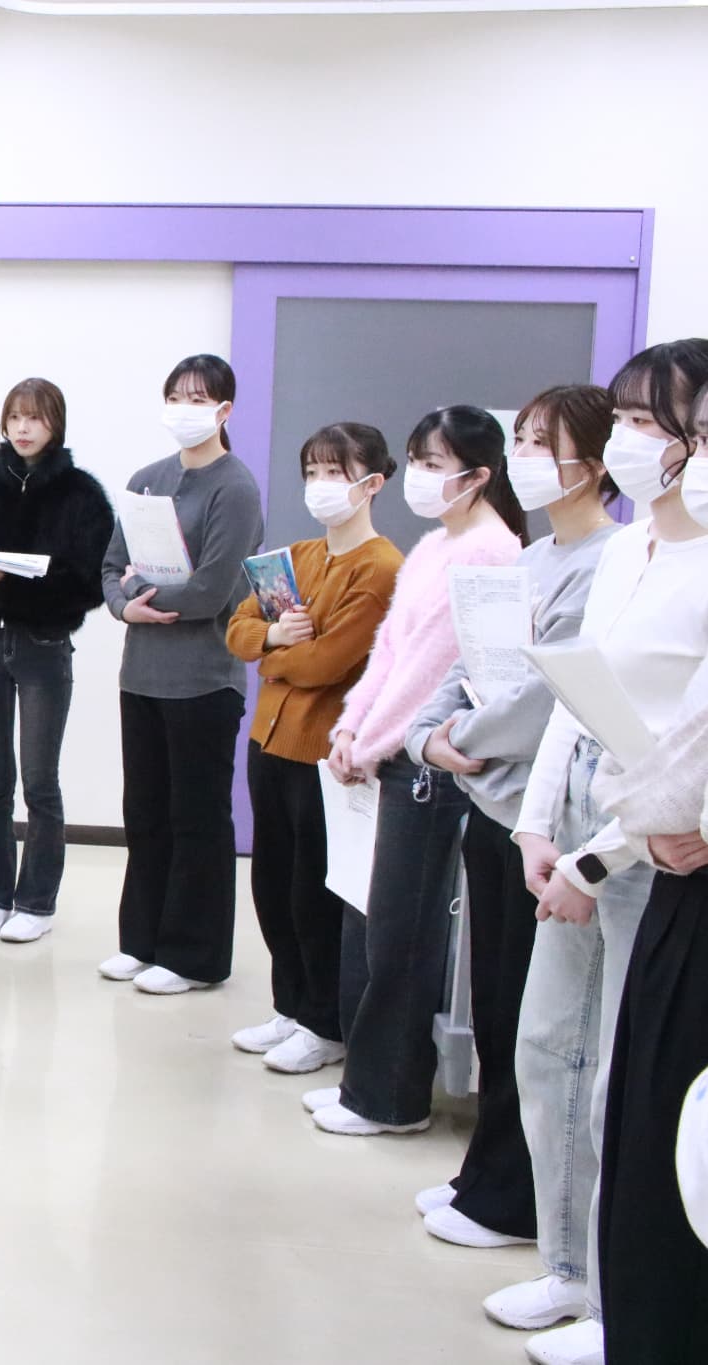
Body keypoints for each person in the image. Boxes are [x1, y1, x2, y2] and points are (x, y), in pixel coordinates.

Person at [506, 339, 708, 1365]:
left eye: (647, 423)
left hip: (654, 833)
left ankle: (607, 1296)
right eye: (622, 417)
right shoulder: (627, 550)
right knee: (546, 1048)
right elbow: (571, 690)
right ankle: (565, 1264)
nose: (630, 438)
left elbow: (683, 756)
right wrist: (537, 822)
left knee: (617, 1078)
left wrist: (597, 859)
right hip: (585, 803)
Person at [401, 387, 620, 1263]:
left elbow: (542, 695)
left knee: (540, 1023)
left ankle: (518, 1195)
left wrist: (457, 739)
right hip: (492, 804)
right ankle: (484, 1172)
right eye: (520, 438)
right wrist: (428, 734)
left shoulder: (606, 563)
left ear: (593, 464)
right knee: (495, 1006)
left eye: (540, 443)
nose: (523, 456)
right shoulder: (530, 558)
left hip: (547, 818)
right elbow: (466, 662)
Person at [309, 406, 524, 1137]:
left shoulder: (489, 552)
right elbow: (390, 654)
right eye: (418, 460)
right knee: (376, 927)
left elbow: (433, 672)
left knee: (404, 937)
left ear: (478, 475)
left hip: (426, 767)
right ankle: (366, 1082)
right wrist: (349, 728)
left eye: (435, 464)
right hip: (391, 757)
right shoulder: (437, 543)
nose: (421, 476)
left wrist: (369, 742)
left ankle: (389, 1098)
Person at [586, 382, 708, 1360]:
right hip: (664, 855)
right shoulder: (628, 550)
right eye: (695, 437)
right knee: (645, 1122)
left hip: (673, 858)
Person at [225, 423, 402, 1074]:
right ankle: (291, 1004)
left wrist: (273, 657)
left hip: (322, 752)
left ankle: (325, 1021)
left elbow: (329, 662)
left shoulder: (381, 568)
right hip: (268, 740)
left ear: (371, 483)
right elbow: (237, 629)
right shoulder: (296, 556)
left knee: (313, 892)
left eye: (335, 472)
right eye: (313, 472)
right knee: (271, 883)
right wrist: (272, 638)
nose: (320, 485)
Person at [99, 355, 264, 994]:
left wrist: (145, 598)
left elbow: (211, 589)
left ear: (224, 410)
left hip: (203, 678)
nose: (184, 408)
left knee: (197, 818)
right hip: (141, 674)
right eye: (176, 396)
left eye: (198, 398)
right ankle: (141, 941)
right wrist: (125, 605)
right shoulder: (147, 479)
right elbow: (112, 566)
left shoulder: (234, 488)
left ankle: (193, 958)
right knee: (145, 814)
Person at [0, 379, 114, 944]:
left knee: (40, 782)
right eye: (14, 416)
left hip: (43, 646)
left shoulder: (82, 495)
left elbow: (91, 580)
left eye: (34, 417)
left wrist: (17, 583)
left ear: (54, 423)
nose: (22, 427)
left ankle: (36, 902)